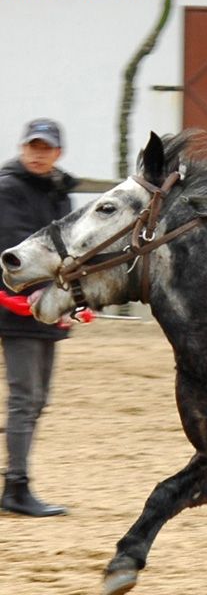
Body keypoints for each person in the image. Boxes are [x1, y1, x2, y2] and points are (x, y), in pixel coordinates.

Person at [0, 118, 79, 516]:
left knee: (36, 400)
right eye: (33, 146)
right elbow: (11, 247)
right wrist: (27, 296)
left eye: (45, 147)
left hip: (47, 308)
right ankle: (16, 487)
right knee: (25, 399)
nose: (38, 153)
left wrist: (77, 298)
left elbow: (71, 251)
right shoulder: (8, 189)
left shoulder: (61, 193)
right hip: (16, 307)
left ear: (57, 153)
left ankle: (15, 480)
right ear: (22, 147)